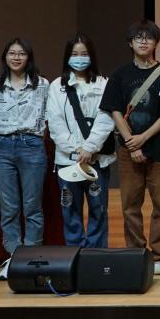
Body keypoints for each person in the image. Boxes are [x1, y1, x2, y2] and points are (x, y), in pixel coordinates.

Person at [84, 20, 160, 275]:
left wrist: (143, 137)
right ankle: (135, 252)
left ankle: (159, 256)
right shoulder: (120, 74)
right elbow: (114, 110)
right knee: (130, 205)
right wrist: (131, 142)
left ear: (156, 42)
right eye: (138, 38)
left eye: (149, 37)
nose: (144, 42)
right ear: (130, 43)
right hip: (127, 150)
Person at [0, 38, 49, 280]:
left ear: (28, 57)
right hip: (3, 147)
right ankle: (14, 256)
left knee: (32, 205)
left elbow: (49, 117)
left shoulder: (42, 85)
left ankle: (30, 256)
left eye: (21, 53)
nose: (16, 57)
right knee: (9, 207)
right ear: (5, 57)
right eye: (12, 53)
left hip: (32, 145)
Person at [47, 33, 116, 249]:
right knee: (70, 210)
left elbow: (106, 119)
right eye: (74, 54)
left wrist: (89, 148)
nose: (79, 58)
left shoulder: (104, 84)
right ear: (67, 57)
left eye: (84, 54)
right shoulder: (57, 86)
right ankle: (74, 254)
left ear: (92, 56)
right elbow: (55, 122)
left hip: (96, 160)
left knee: (98, 209)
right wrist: (76, 150)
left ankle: (95, 255)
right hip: (67, 161)